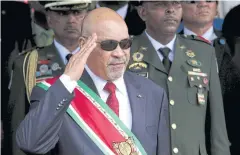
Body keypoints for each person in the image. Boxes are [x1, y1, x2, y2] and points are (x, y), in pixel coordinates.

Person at [15, 7, 170, 155]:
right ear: (83, 44)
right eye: (109, 45)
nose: (119, 53)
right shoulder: (56, 91)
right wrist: (68, 81)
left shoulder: (152, 92)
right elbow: (30, 143)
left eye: (125, 44)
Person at [128, 1, 230, 155]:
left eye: (176, 4)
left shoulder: (203, 52)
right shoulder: (126, 52)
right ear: (143, 12)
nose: (170, 10)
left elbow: (217, 127)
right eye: (161, 4)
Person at [8, 1, 92, 155]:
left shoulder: (101, 59)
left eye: (78, 12)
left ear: (87, 15)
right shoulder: (28, 64)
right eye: (62, 13)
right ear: (49, 18)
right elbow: (18, 127)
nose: (71, 20)